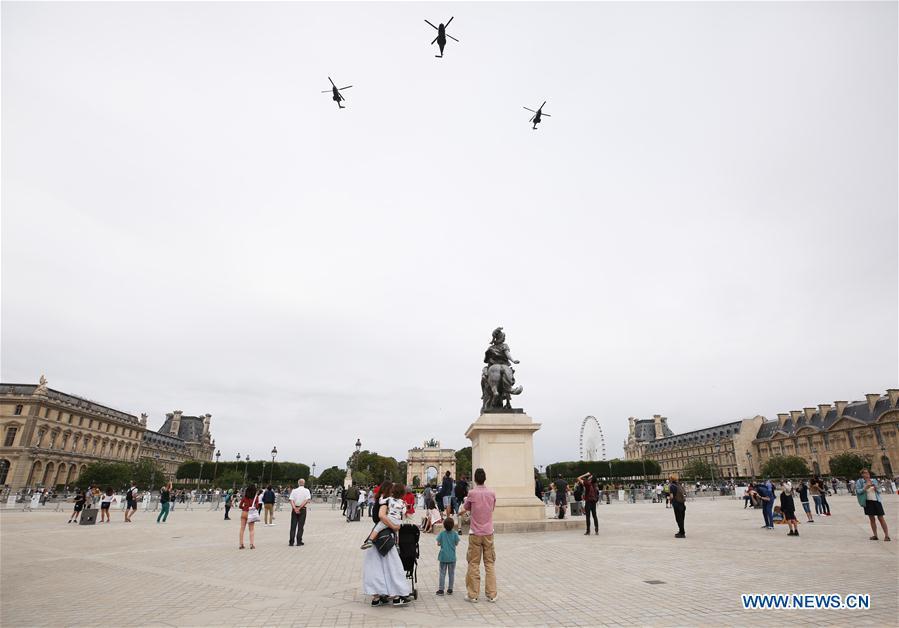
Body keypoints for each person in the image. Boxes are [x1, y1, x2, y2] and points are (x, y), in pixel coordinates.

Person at [361, 483, 412, 607]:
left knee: (375, 567)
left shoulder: (382, 501)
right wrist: (394, 526)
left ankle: (377, 596)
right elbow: (381, 516)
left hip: (377, 536)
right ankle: (395, 596)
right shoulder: (387, 502)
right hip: (386, 538)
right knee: (393, 567)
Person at [459, 467, 497, 603]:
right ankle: (492, 594)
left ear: (475, 479)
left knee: (473, 563)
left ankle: (473, 594)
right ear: (485, 478)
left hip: (475, 532)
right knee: (490, 563)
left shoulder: (472, 493)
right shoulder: (492, 493)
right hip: (488, 532)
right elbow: (492, 508)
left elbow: (466, 507)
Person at [362, 483, 407, 549]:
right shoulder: (403, 502)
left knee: (377, 528)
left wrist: (381, 497)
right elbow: (404, 512)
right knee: (397, 533)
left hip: (390, 518)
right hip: (398, 520)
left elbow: (381, 507)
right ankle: (397, 545)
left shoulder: (389, 499)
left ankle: (370, 540)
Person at [855, 469, 890, 541]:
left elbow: (879, 491)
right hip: (868, 502)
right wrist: (865, 487)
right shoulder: (860, 482)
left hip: (876, 501)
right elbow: (858, 491)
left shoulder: (874, 481)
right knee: (872, 519)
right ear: (862, 475)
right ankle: (875, 535)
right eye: (865, 473)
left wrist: (876, 487)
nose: (867, 474)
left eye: (867, 472)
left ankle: (886, 535)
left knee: (881, 518)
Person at [435, 516, 460, 595]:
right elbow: (456, 543)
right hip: (452, 557)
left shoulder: (442, 533)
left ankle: (441, 589)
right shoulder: (455, 534)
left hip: (443, 556)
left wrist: (442, 543)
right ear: (453, 525)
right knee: (451, 573)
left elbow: (438, 543)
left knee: (442, 573)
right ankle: (450, 589)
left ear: (444, 525)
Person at [288, 479, 312, 546]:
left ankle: (291, 541)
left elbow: (291, 500)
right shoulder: (307, 491)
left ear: (298, 483)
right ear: (304, 483)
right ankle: (299, 541)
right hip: (302, 509)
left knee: (293, 526)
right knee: (300, 526)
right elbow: (306, 500)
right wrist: (300, 508)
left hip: (295, 508)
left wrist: (295, 508)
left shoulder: (294, 491)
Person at [237, 484, 261, 550]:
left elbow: (240, 505)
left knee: (242, 529)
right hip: (251, 513)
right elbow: (257, 506)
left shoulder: (245, 497)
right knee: (251, 529)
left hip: (244, 513)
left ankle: (241, 544)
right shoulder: (256, 497)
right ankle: (251, 544)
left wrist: (244, 508)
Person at [669, 474, 686, 538]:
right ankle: (681, 531)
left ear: (671, 479)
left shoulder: (671, 486)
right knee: (682, 518)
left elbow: (671, 496)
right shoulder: (679, 485)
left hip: (676, 504)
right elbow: (684, 493)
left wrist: (670, 500)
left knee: (678, 519)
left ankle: (682, 533)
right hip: (682, 503)